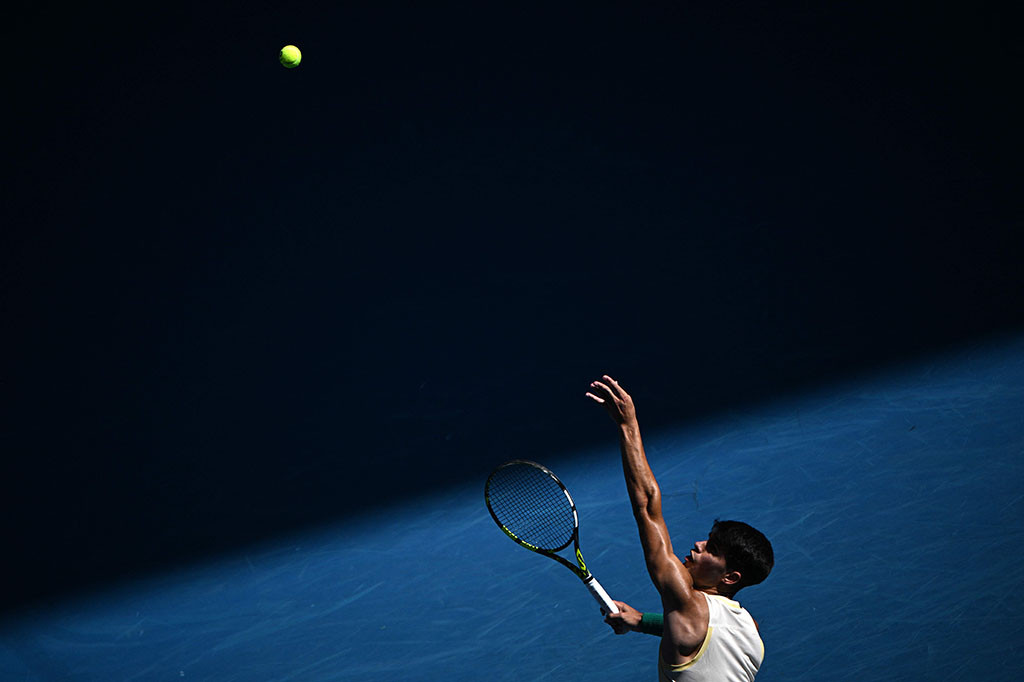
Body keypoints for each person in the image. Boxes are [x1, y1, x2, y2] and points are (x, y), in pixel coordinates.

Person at [586, 376, 774, 681]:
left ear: (730, 577)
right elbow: (693, 628)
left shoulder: (686, 602)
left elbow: (647, 505)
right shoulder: (748, 628)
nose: (698, 545)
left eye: (712, 550)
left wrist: (627, 426)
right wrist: (641, 621)